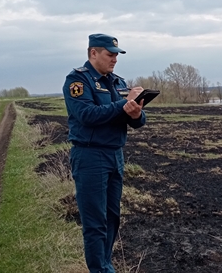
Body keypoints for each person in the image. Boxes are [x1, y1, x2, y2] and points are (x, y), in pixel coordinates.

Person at [63, 33, 146, 273]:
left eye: (117, 55)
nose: (114, 59)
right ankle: (100, 269)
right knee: (95, 223)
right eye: (110, 54)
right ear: (93, 53)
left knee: (112, 218)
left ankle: (105, 265)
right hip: (90, 157)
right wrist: (123, 104)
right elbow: (87, 115)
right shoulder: (78, 81)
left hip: (114, 155)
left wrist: (136, 112)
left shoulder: (118, 82)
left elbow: (137, 122)